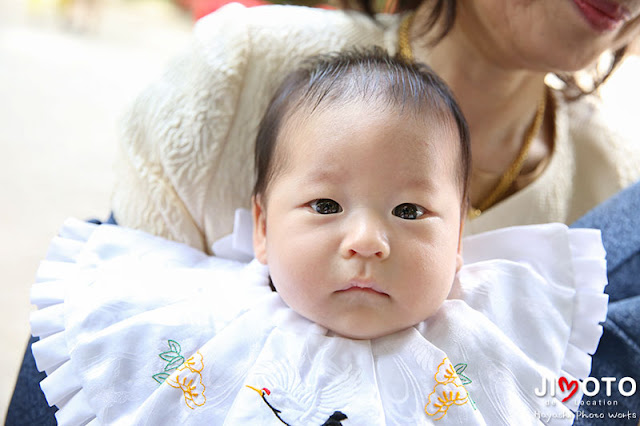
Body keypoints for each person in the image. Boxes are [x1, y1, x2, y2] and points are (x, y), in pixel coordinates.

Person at [8, 0, 640, 423]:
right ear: (261, 224)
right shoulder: (244, 68)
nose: (368, 241)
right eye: (327, 205)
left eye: (412, 211)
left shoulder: (605, 181)